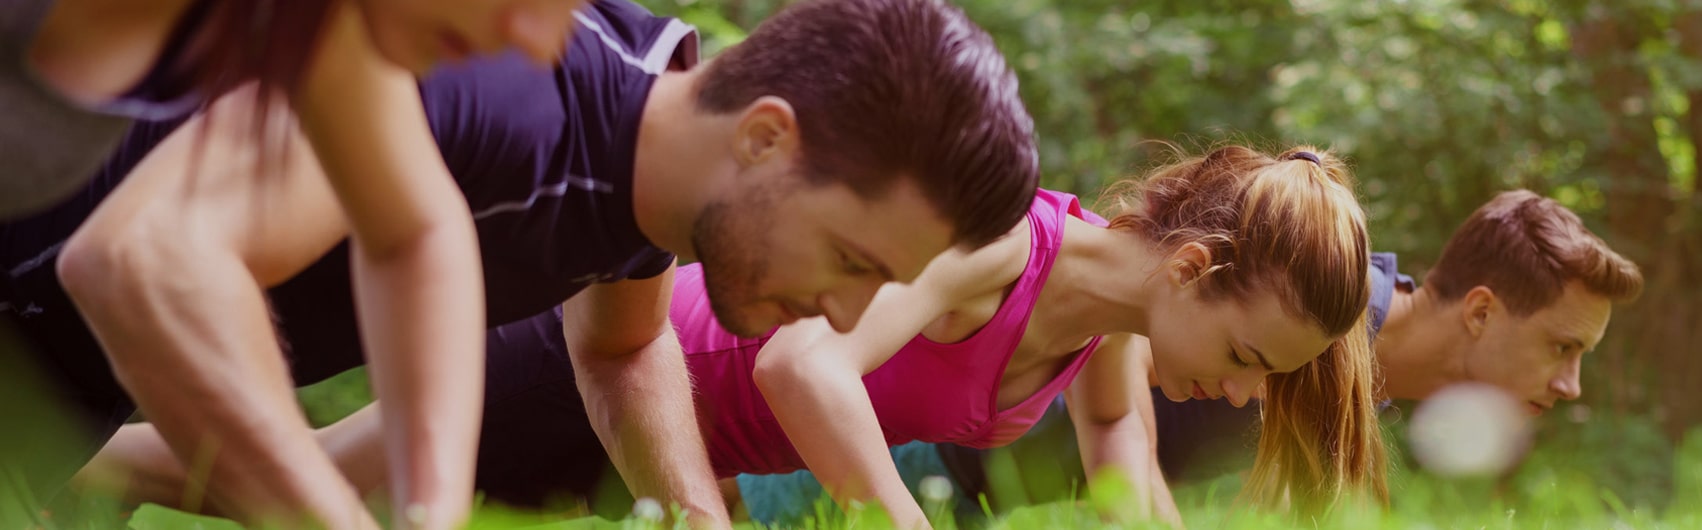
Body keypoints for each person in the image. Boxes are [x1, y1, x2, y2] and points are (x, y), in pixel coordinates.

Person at [2, 0, 1038, 526]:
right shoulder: (502, 85)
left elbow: (618, 349)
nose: (844, 311)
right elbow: (152, 260)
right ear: (765, 138)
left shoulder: (647, 181)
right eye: (853, 257)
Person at [83, 145, 1387, 528]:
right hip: (616, 364)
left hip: (678, 455)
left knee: (310, 480)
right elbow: (799, 358)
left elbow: (1123, 461)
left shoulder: (1115, 335)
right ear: (1197, 266)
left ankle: (97, 466)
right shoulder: (1006, 243)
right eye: (1252, 355)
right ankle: (87, 454)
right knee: (306, 489)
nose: (1238, 388)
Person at [730, 189, 1645, 525]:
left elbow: (1126, 451)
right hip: (885, 444)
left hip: (961, 489)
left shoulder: (1352, 371)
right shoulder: (1314, 323)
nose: (1568, 385)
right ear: (1481, 312)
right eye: (1563, 347)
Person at [4, 0, 582, 525]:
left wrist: (431, 511)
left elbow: (415, 230)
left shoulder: (322, 26)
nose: (538, 43)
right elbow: (128, 259)